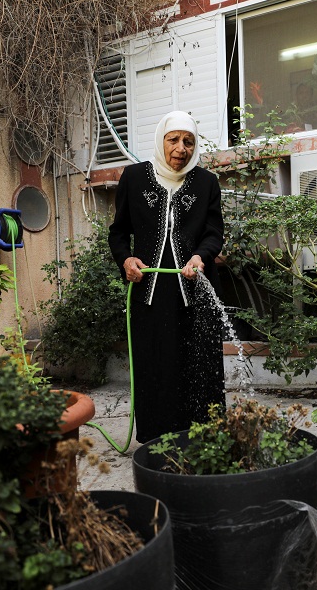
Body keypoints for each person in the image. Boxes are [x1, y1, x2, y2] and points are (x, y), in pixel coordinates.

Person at [108, 110, 226, 443]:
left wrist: (200, 257)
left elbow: (214, 233)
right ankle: (158, 440)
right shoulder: (134, 178)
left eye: (188, 141)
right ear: (161, 141)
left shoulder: (206, 183)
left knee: (199, 363)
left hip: (195, 288)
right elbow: (118, 234)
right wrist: (126, 259)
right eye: (173, 139)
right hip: (150, 293)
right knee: (155, 362)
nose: (181, 148)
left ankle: (204, 435)